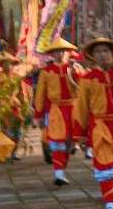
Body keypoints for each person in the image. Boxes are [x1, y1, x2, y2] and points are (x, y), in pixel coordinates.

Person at [72, 37, 113, 209]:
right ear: (93, 57)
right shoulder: (87, 80)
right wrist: (80, 134)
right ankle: (109, 204)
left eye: (106, 51)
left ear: (112, 55)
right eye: (98, 52)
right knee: (105, 163)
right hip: (100, 126)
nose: (103, 55)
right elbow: (81, 108)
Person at [34, 37, 80, 184]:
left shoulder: (75, 69)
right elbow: (40, 93)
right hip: (56, 109)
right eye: (57, 51)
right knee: (56, 140)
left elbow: (83, 87)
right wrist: (39, 114)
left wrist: (75, 73)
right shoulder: (46, 71)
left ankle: (62, 167)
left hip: (73, 108)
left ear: (68, 53)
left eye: (63, 51)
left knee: (69, 142)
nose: (60, 54)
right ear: (52, 54)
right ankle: (58, 174)